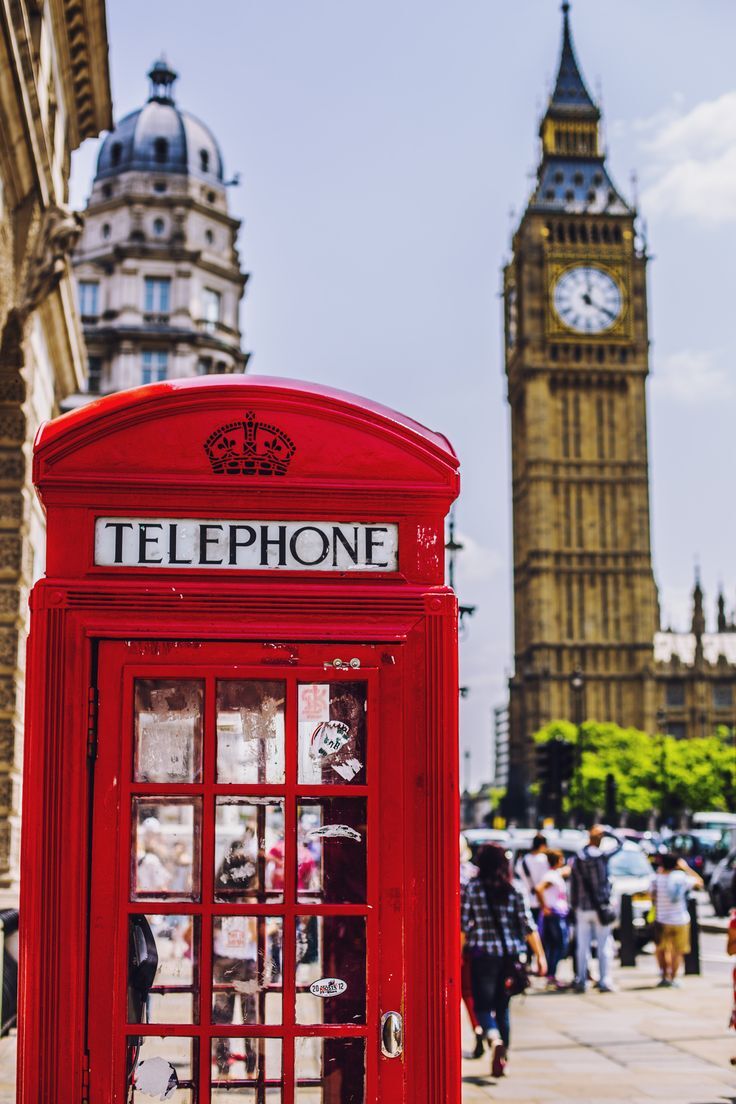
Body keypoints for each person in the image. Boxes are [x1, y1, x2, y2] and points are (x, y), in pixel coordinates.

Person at [461, 844, 547, 1078]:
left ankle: (492, 1037)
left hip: (483, 956)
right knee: (503, 1007)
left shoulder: (474, 888)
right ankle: (503, 1056)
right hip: (510, 957)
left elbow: (462, 926)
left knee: (481, 1006)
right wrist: (540, 956)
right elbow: (528, 927)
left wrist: (457, 955)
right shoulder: (515, 889)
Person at [569, 824, 623, 993]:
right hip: (601, 907)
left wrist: (574, 905)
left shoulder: (579, 858)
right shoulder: (602, 857)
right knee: (604, 944)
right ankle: (604, 979)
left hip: (583, 907)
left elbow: (573, 885)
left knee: (582, 945)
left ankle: (582, 979)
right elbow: (621, 843)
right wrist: (608, 831)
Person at [652, 853, 702, 987]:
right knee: (677, 951)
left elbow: (651, 895)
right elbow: (699, 882)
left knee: (662, 950)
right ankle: (673, 978)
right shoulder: (681, 878)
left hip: (661, 919)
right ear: (676, 864)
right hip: (680, 919)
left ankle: (664, 976)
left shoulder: (656, 879)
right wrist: (686, 868)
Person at [459, 839, 484, 1058]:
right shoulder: (475, 874)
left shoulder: (446, 875)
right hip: (474, 943)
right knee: (468, 993)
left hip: (453, 940)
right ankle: (479, 1029)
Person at [535, 849, 570, 988]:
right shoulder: (551, 876)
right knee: (560, 945)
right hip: (554, 914)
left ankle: (551, 974)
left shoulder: (554, 874)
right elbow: (539, 888)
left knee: (553, 945)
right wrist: (544, 907)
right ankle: (551, 973)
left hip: (556, 913)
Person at [515, 834, 549, 922]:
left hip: (526, 898)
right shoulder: (543, 859)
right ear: (542, 845)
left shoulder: (522, 860)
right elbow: (545, 879)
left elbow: (518, 874)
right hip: (540, 900)